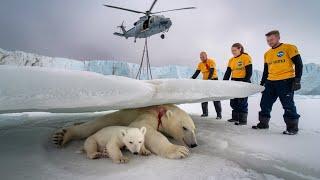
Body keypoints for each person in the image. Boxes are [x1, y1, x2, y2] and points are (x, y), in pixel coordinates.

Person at [252, 30, 303, 135]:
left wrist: (297, 80)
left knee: (288, 105)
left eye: (271, 39)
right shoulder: (267, 54)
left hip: (286, 81)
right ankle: (263, 124)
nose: (269, 42)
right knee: (264, 104)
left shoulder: (289, 48)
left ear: (278, 38)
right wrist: (262, 84)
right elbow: (266, 70)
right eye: (268, 40)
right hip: (270, 82)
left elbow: (299, 64)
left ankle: (292, 128)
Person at [223, 43, 253, 125]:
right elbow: (228, 72)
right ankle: (235, 118)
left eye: (234, 50)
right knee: (233, 101)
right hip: (234, 82)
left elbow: (249, 72)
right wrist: (223, 83)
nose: (233, 52)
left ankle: (243, 120)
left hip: (243, 81)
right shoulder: (231, 60)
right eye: (232, 51)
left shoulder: (246, 57)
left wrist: (245, 83)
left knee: (242, 102)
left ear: (240, 49)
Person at [191, 51, 222, 119]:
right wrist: (191, 79)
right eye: (200, 57)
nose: (202, 58)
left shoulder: (211, 61)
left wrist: (209, 80)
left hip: (213, 80)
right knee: (204, 97)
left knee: (215, 97)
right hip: (205, 81)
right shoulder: (200, 64)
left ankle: (219, 114)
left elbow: (211, 71)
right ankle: (205, 113)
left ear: (206, 56)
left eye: (203, 57)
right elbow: (197, 72)